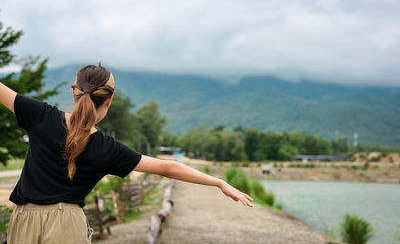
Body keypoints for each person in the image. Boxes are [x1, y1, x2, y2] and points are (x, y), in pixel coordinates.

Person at [0, 62, 254, 244]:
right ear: (109, 100)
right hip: (67, 224)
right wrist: (219, 182)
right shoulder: (107, 149)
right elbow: (168, 168)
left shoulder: (40, 115)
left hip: (24, 219)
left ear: (74, 93)